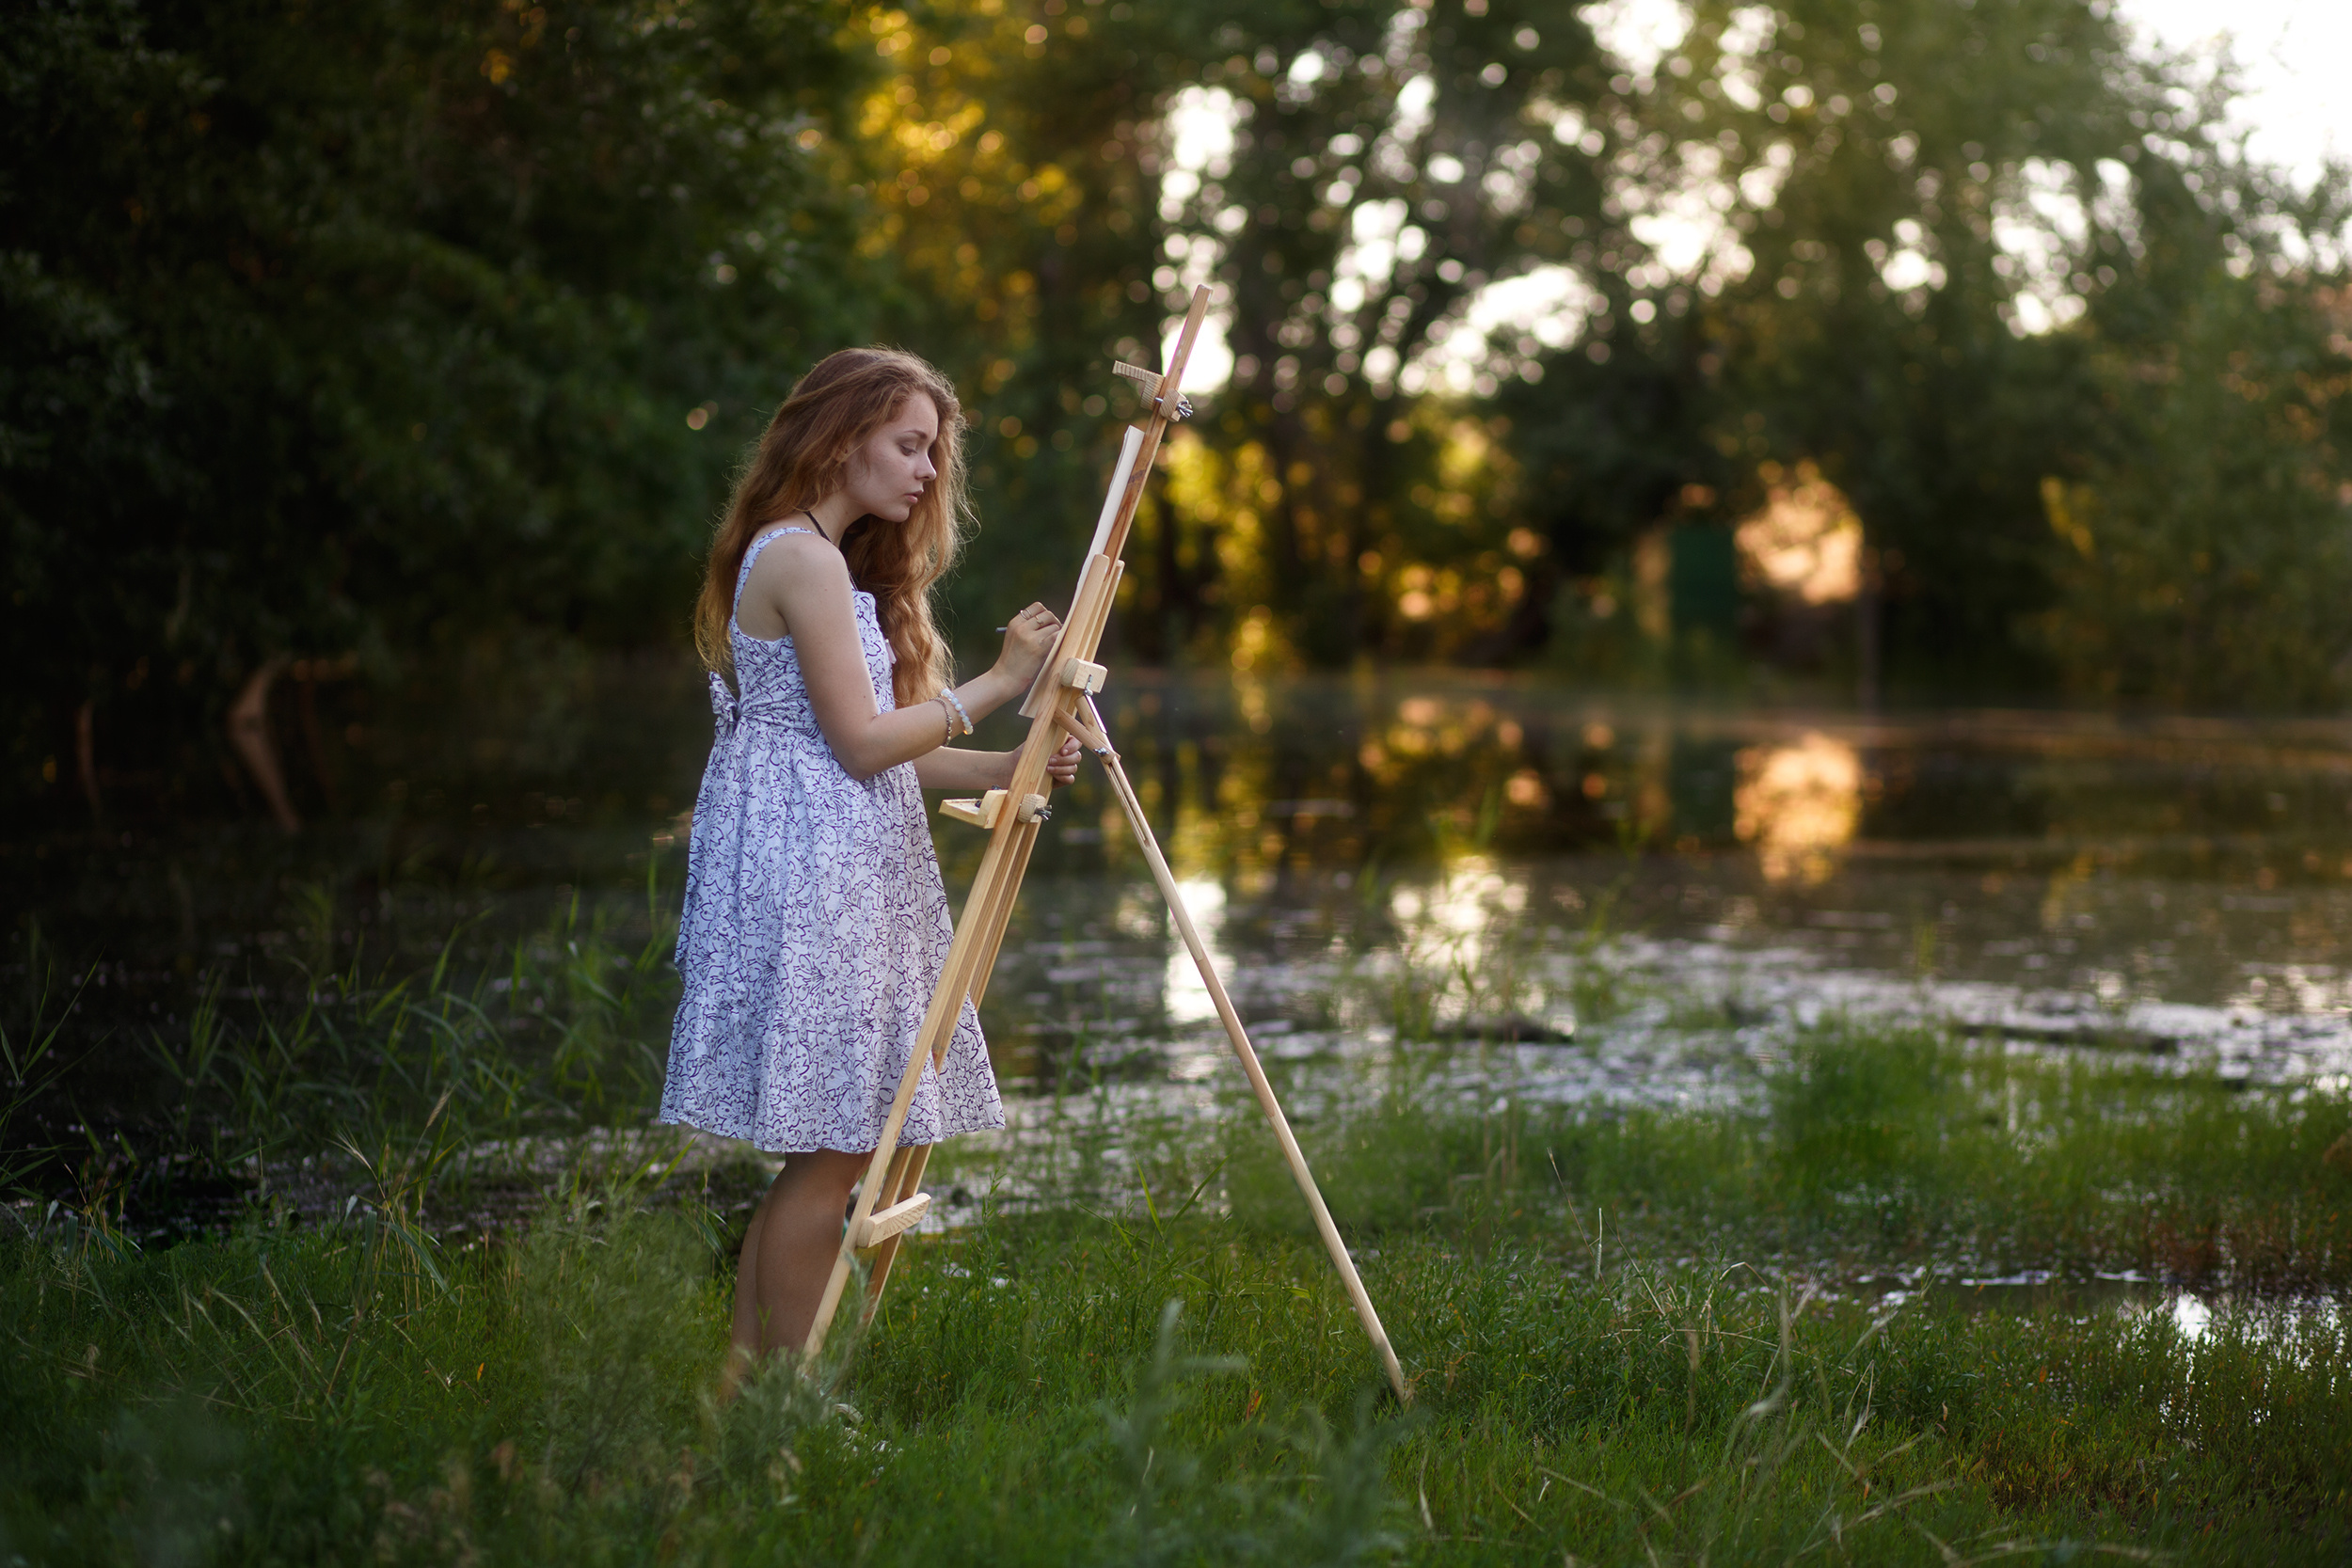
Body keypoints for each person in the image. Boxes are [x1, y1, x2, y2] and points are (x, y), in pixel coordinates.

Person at [658, 347, 1080, 1387]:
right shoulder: (798, 556)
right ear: (840, 437)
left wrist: (1012, 760)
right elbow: (855, 743)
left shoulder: (815, 558)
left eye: (931, 450)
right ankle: (783, 1400)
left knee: (828, 1150)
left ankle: (744, 1392)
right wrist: (1000, 679)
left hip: (831, 857)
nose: (927, 470)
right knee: (839, 1148)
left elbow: (886, 743)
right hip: (816, 871)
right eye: (909, 444)